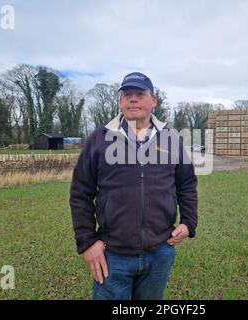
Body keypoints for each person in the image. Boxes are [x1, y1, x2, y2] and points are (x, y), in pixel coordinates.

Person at [69, 72, 198, 300]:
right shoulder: (100, 138)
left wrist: (189, 222)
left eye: (140, 94)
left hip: (160, 252)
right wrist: (88, 242)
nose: (133, 99)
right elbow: (81, 193)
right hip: (113, 255)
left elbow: (186, 184)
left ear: (154, 100)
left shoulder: (171, 138)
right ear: (120, 101)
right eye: (127, 94)